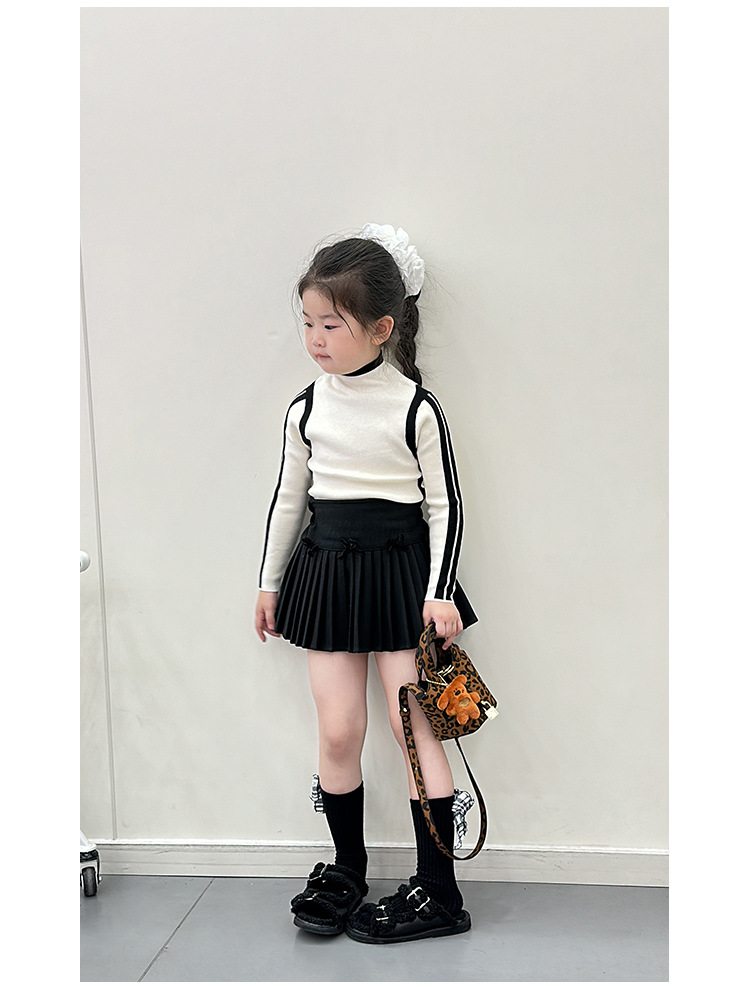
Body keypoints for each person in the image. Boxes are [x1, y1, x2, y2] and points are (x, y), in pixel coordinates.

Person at [254, 223, 478, 944]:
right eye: (308, 322)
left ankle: (438, 890)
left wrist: (440, 590)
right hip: (325, 573)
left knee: (417, 729)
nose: (315, 338)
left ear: (382, 328)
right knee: (338, 727)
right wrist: (268, 584)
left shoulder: (416, 406)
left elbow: (446, 506)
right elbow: (289, 500)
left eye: (332, 324)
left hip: (404, 577)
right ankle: (348, 866)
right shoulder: (305, 408)